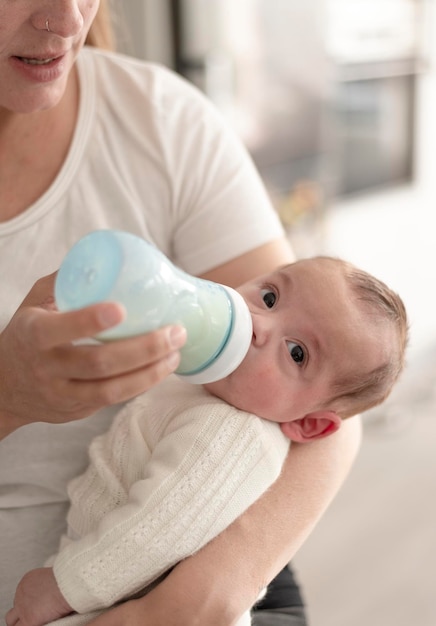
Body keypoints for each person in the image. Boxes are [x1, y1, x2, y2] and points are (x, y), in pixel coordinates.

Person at [0, 2, 364, 625]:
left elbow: (329, 402)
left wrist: (195, 599)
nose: (65, 19)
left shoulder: (163, 122)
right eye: (267, 298)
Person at [6, 256, 409, 626]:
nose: (258, 324)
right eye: (269, 297)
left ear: (308, 425)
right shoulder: (206, 381)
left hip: (121, 596)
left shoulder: (233, 435)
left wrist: (62, 589)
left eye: (297, 353)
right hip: (107, 582)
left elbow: (154, 533)